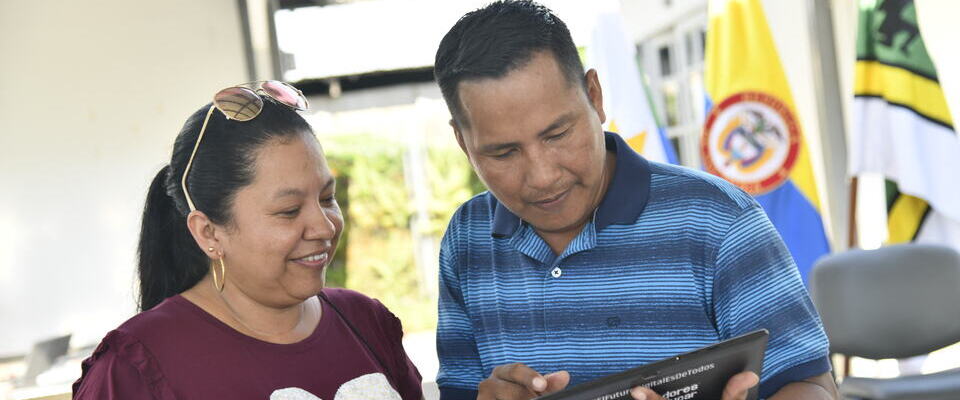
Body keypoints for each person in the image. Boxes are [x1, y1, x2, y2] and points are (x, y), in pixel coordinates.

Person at [432, 2, 839, 400]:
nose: (543, 176)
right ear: (462, 143)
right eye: (504, 153)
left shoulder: (719, 221)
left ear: (594, 96)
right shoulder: (467, 241)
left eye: (557, 135)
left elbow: (813, 386)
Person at [72, 81, 422, 400]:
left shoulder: (366, 321)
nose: (324, 226)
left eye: (327, 198)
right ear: (208, 232)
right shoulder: (134, 367)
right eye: (289, 210)